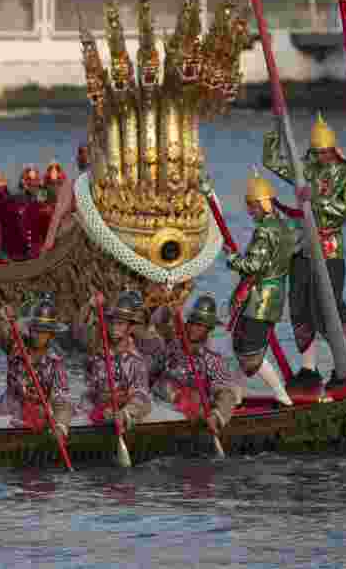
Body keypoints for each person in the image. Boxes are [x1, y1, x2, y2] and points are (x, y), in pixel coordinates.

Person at [263, 112, 346, 390]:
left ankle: (342, 367)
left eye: (324, 153)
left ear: (333, 150)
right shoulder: (304, 166)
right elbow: (271, 161)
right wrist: (277, 128)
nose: (320, 158)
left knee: (328, 307)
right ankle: (308, 369)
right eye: (316, 153)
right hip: (302, 247)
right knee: (299, 306)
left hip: (329, 250)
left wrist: (316, 202)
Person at [225, 170, 298, 407]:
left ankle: (281, 396)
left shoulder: (265, 230)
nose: (249, 211)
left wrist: (232, 258)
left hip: (260, 298)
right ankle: (236, 397)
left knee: (249, 352)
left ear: (263, 204)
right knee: (242, 346)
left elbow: (253, 265)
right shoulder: (286, 227)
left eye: (253, 206)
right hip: (274, 295)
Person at [149, 296, 245, 435]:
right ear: (186, 323)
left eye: (200, 325)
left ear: (209, 329)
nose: (194, 328)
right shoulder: (170, 348)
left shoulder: (211, 360)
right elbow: (151, 374)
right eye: (192, 323)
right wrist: (168, 308)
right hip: (155, 403)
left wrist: (217, 416)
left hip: (181, 415)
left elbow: (226, 394)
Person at [0, 297, 73, 436]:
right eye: (35, 330)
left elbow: (62, 399)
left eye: (42, 332)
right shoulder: (14, 345)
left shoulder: (56, 362)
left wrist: (61, 426)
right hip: (8, 407)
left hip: (38, 412)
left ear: (51, 334)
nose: (37, 335)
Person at [72, 289, 153, 429]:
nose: (115, 328)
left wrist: (124, 412)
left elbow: (141, 395)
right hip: (94, 409)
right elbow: (77, 330)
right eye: (112, 323)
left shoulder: (137, 361)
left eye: (120, 324)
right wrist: (89, 306)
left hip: (124, 413)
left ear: (130, 327)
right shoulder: (98, 350)